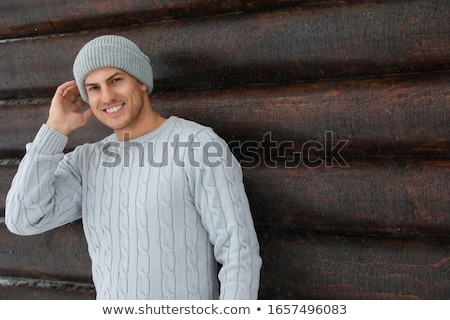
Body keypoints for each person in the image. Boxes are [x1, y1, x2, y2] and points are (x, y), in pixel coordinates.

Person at [5, 35, 262, 300]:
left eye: (115, 80)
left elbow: (237, 250)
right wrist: (54, 130)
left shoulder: (197, 145)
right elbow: (23, 219)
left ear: (140, 81)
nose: (106, 96)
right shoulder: (87, 162)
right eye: (93, 88)